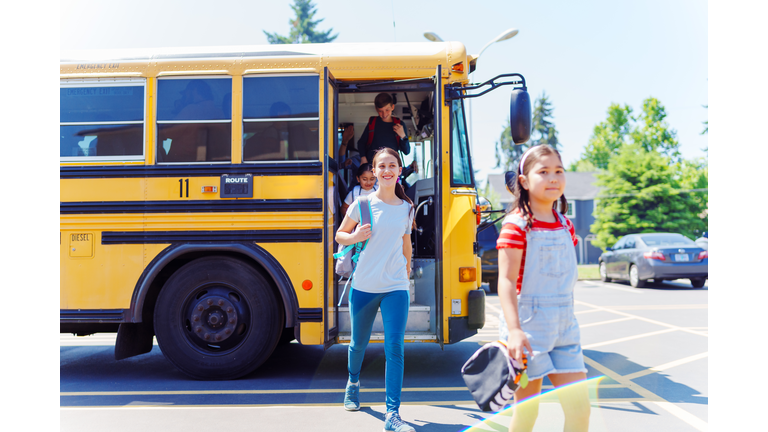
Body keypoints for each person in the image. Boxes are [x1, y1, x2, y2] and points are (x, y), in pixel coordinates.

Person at [496, 144, 590, 432]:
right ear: (524, 181)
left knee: (580, 410)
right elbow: (507, 282)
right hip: (528, 329)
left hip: (565, 326)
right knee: (527, 413)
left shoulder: (565, 224)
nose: (553, 178)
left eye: (559, 171)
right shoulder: (516, 225)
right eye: (544, 171)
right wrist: (514, 331)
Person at [335, 147, 416, 432]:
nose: (386, 171)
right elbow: (339, 235)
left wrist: (407, 267)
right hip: (365, 285)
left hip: (395, 286)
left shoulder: (407, 207)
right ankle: (353, 381)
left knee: (394, 346)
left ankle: (392, 415)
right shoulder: (362, 204)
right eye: (381, 166)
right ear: (374, 171)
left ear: (399, 170)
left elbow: (405, 241)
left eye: (392, 165)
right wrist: (354, 236)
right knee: (358, 343)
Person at [357, 93, 410, 164]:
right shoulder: (373, 123)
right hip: (373, 166)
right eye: (380, 111)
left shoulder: (399, 124)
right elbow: (361, 143)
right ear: (376, 109)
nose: (384, 114)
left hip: (391, 166)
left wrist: (403, 136)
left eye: (387, 110)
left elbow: (406, 152)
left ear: (392, 107)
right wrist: (363, 158)